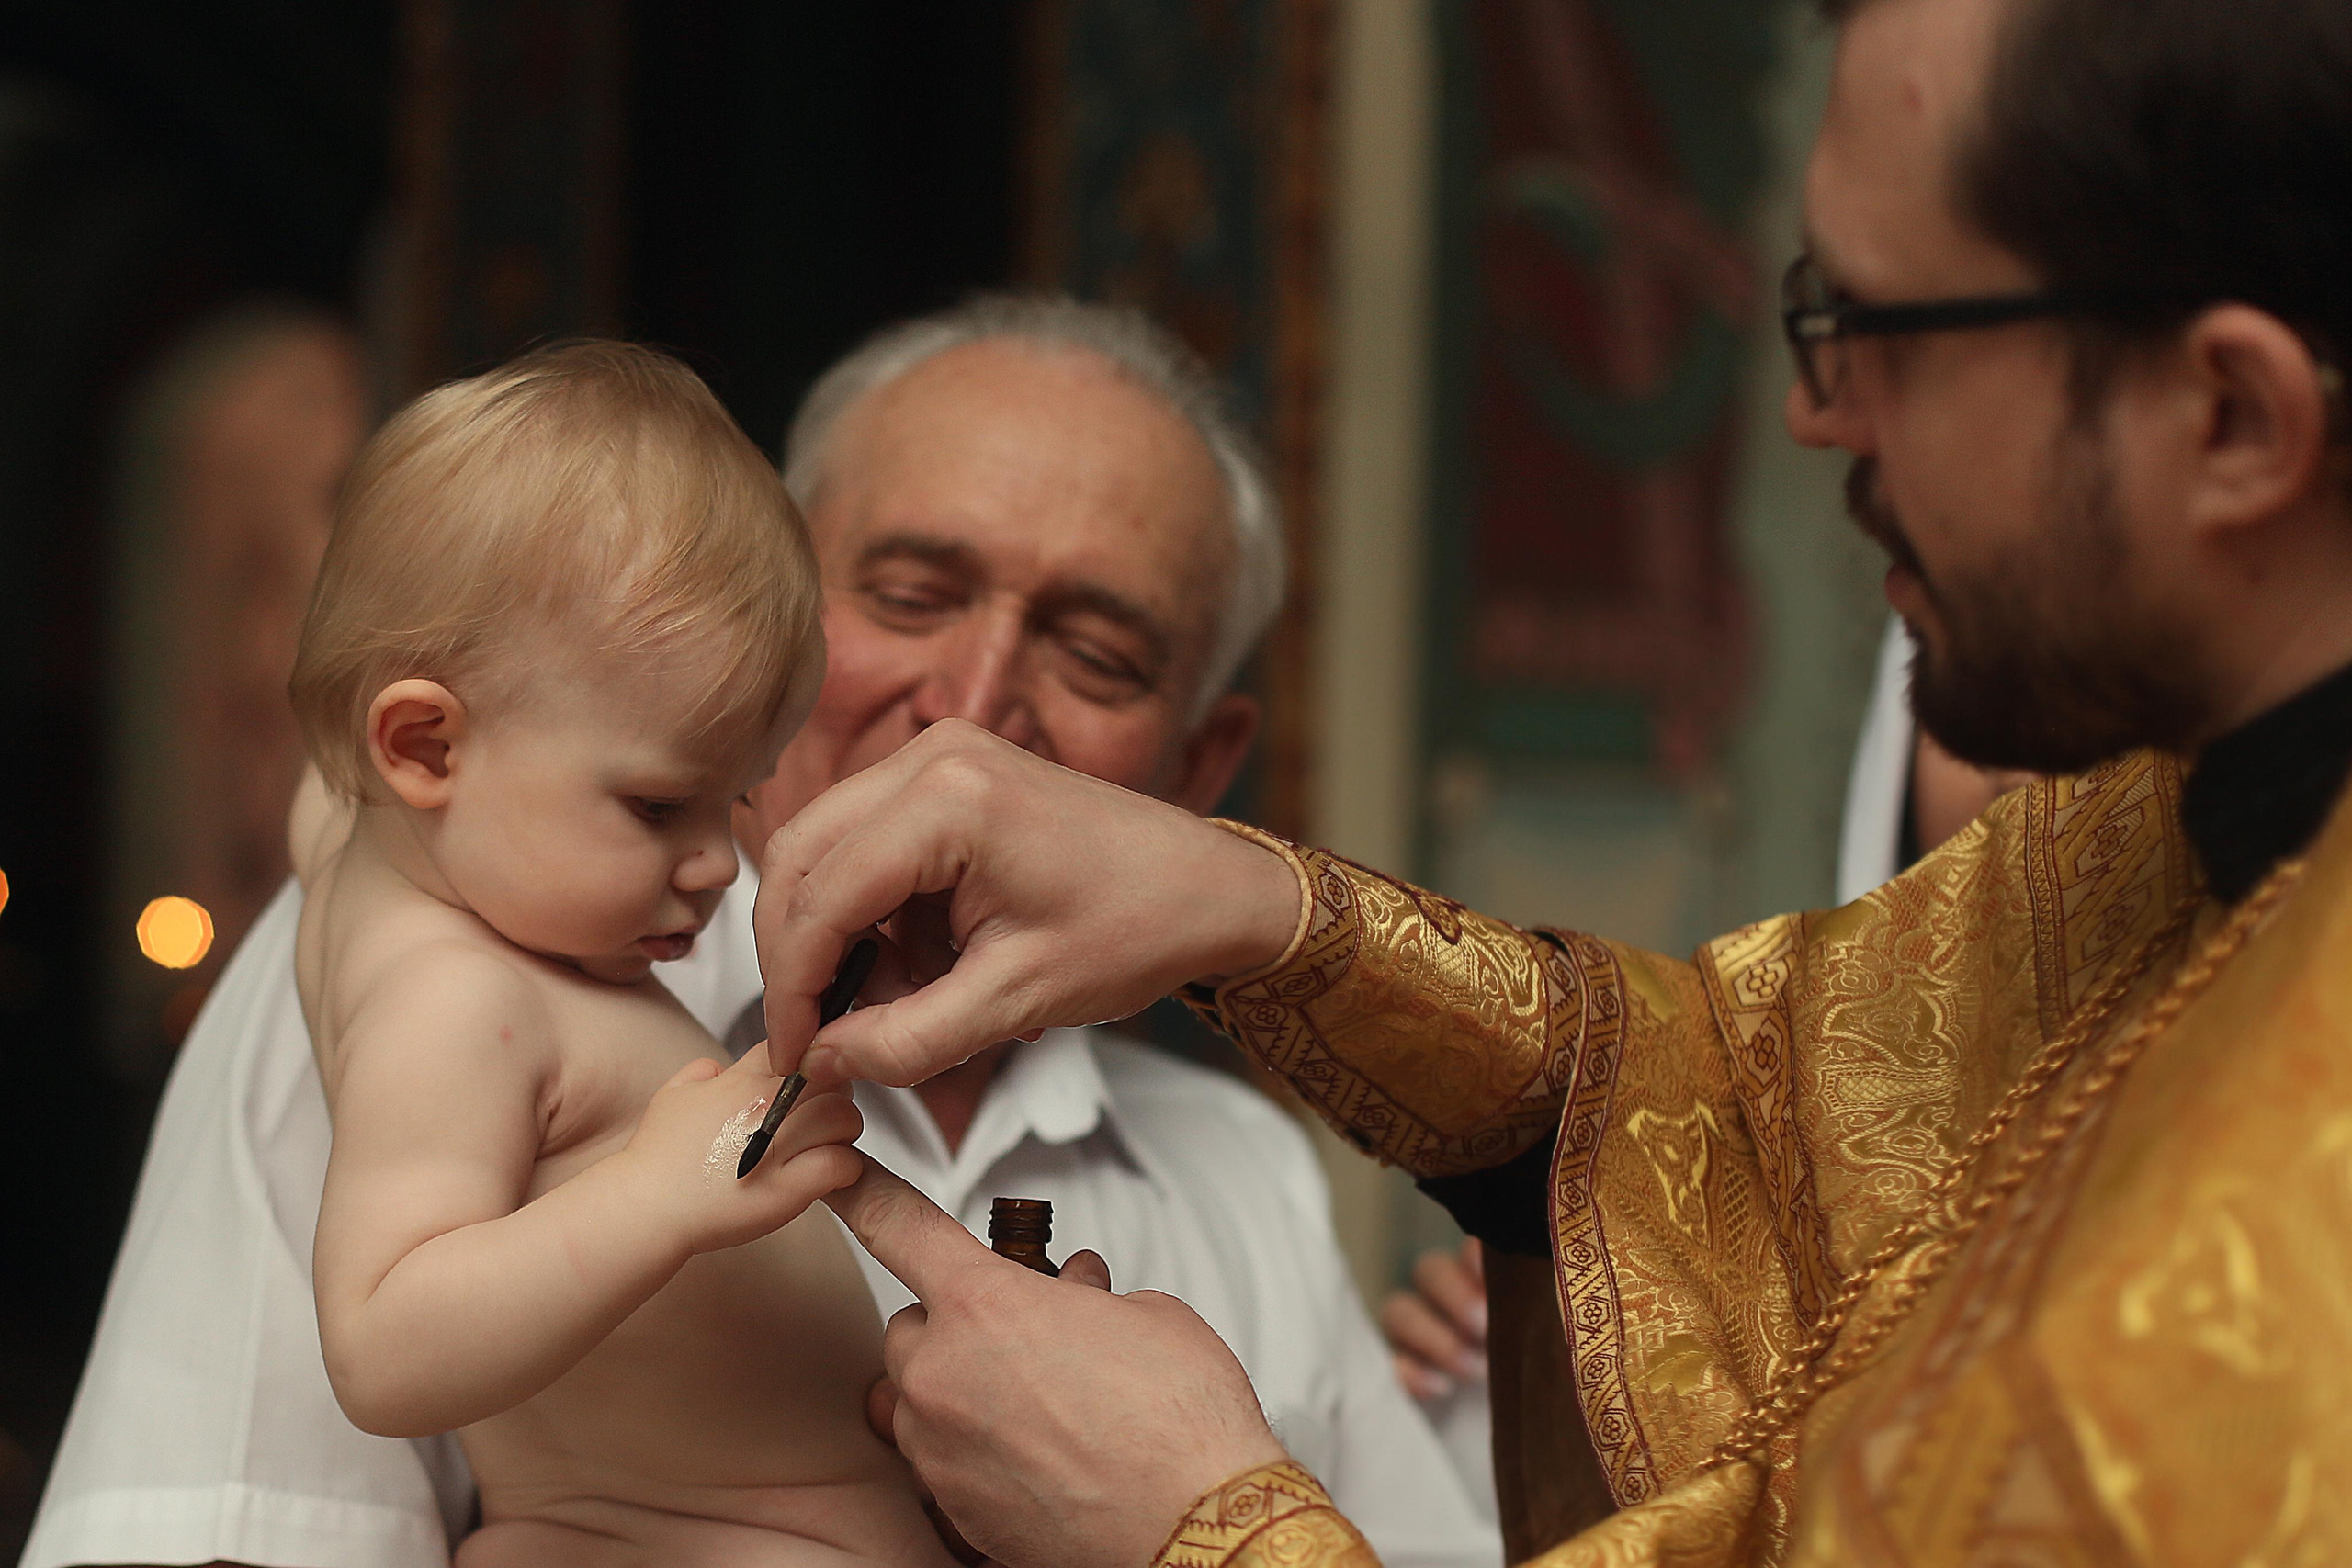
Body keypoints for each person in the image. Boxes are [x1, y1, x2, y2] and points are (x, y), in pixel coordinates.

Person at [744, 0, 2352, 1563]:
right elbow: (1743, 1109)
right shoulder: (2179, 834)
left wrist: (1208, 1531)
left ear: (2232, 420)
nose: (1809, 413)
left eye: (1881, 334)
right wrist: (1267, 916)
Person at [22, 299, 1494, 1568]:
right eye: (909, 592)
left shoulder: (1241, 1173)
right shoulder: (426, 970)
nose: (974, 704)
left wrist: (1487, 1407)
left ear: (1197, 765)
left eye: (1098, 653)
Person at [283, 341, 953, 1565]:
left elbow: (333, 776)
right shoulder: (457, 1001)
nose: (714, 864)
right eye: (657, 807)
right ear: (425, 748)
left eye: (736, 801)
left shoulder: (359, 838)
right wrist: (657, 1196)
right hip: (709, 1538)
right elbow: (380, 1348)